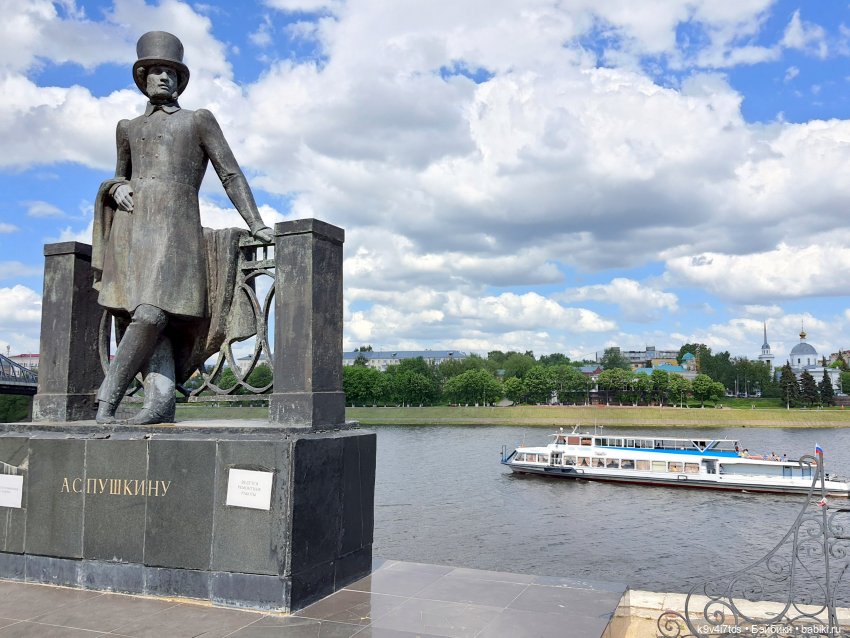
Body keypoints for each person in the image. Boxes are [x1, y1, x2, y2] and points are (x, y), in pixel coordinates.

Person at [92, 31, 273, 424]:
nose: (163, 78)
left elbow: (231, 174)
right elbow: (119, 176)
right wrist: (117, 187)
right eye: (155, 71)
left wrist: (255, 224)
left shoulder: (198, 120)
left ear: (180, 80)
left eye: (171, 72)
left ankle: (105, 401)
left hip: (177, 233)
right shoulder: (127, 128)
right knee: (142, 316)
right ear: (142, 78)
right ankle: (159, 403)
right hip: (132, 232)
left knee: (153, 316)